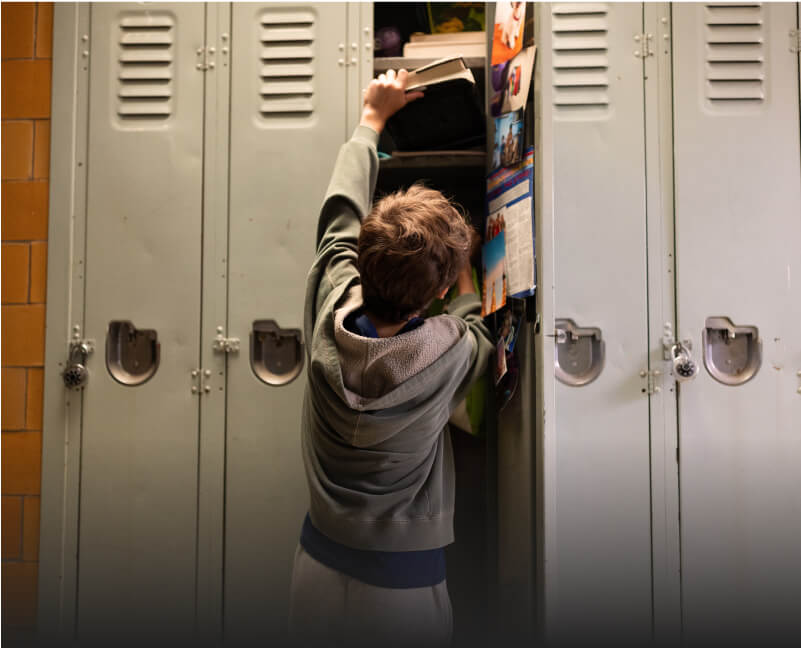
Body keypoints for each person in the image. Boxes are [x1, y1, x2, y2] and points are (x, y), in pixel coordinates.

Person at [288, 69, 494, 648]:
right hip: (402, 588)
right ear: (436, 294)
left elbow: (339, 213)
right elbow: (476, 325)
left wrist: (372, 118)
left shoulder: (331, 298)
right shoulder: (449, 349)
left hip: (316, 568)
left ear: (360, 257)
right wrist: (467, 283)